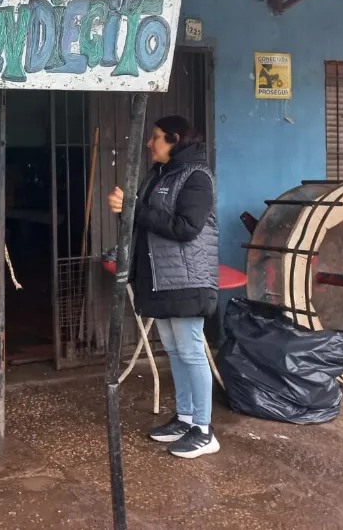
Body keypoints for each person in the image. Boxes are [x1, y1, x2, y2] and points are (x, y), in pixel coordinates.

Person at [107, 115, 220, 459]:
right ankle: (185, 418)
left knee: (191, 350)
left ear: (174, 140)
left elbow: (186, 227)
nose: (149, 143)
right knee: (173, 349)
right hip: (162, 277)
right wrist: (126, 210)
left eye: (156, 137)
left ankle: (204, 429)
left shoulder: (197, 177)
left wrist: (134, 208)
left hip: (187, 279)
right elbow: (146, 218)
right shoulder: (160, 175)